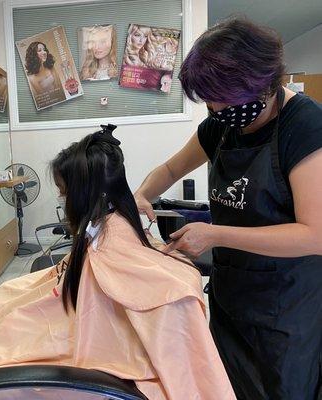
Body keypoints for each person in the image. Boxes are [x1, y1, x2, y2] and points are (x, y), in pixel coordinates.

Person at [0, 125, 236, 400]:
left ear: (83, 195)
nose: (60, 199)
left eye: (62, 192)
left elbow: (155, 299)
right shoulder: (110, 227)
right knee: (7, 298)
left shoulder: (110, 247)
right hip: (67, 306)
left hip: (77, 338)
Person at [134, 17, 322, 400]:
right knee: (228, 385)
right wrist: (140, 194)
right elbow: (171, 168)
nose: (215, 109)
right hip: (231, 294)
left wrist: (215, 234)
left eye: (222, 99)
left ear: (262, 84)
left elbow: (314, 234)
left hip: (286, 304)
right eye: (209, 101)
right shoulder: (221, 124)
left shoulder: (304, 126)